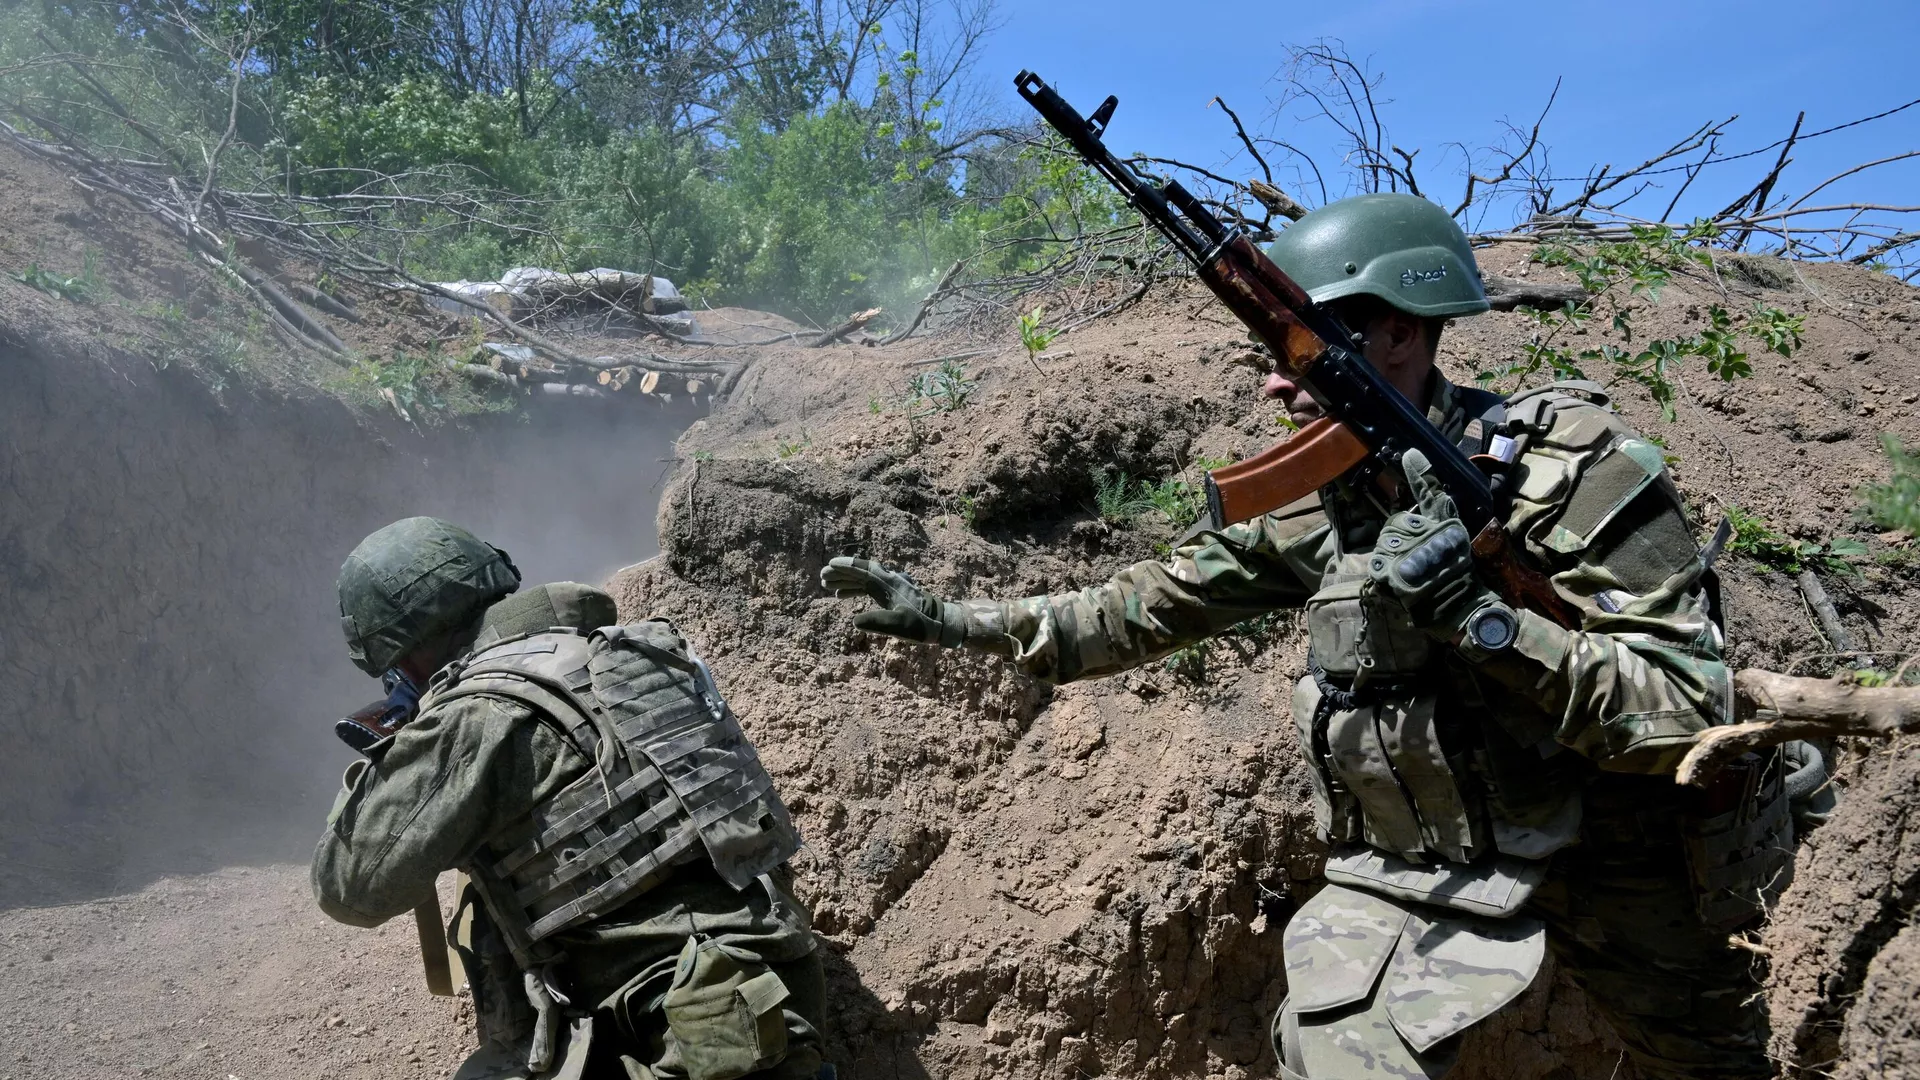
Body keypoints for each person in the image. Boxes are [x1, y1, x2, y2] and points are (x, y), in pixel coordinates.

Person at [821, 193, 1818, 1079]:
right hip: (1442, 869)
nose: (1269, 385)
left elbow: (1690, 709)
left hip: (1629, 854)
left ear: (1395, 333)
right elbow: (1136, 609)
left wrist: (1488, 621)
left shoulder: (1578, 469)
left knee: (1717, 1059)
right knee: (1332, 1045)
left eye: (1293, 349)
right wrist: (951, 620)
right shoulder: (1329, 503)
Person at [315, 516, 827, 1080]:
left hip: (676, 1040)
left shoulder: (477, 716)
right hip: (778, 993)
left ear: (402, 652)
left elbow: (350, 888)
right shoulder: (642, 653)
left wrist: (393, 752)